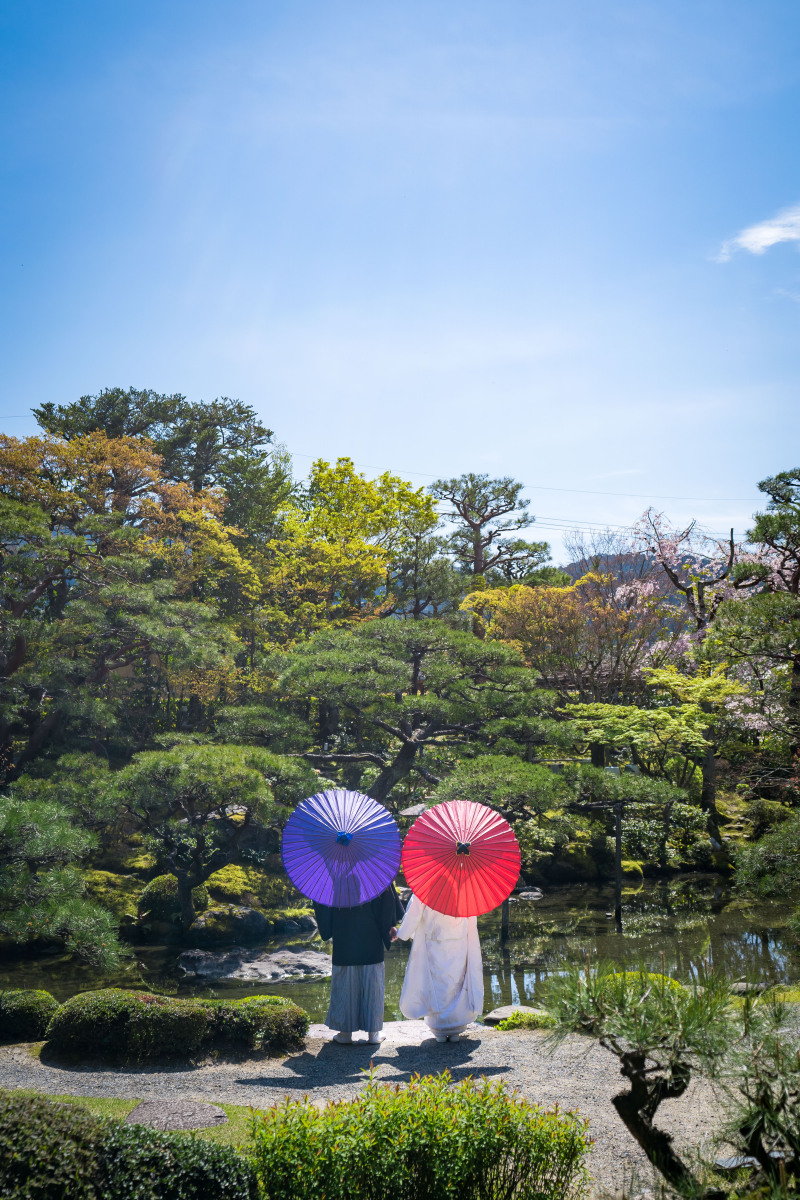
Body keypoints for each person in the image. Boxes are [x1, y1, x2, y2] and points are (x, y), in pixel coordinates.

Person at [314, 884, 404, 1045]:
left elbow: (322, 904)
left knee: (345, 986)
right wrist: (389, 927)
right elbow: (388, 903)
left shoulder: (333, 878)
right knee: (372, 987)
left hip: (344, 940)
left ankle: (345, 1033)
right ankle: (373, 1034)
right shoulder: (375, 874)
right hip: (371, 939)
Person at [394, 894, 483, 1042]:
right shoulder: (465, 888)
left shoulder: (428, 887)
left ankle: (439, 1028)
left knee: (437, 981)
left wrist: (401, 933)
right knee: (456, 982)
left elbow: (415, 913)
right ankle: (456, 1027)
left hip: (435, 940)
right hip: (458, 941)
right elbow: (471, 917)